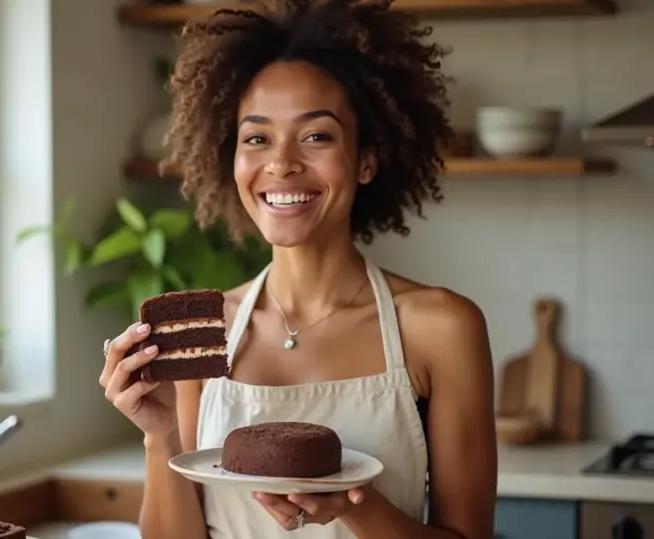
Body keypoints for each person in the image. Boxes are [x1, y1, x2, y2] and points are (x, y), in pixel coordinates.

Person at [98, 1, 497, 537]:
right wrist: (159, 434)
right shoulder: (202, 335)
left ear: (366, 159)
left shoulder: (441, 327)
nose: (281, 163)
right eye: (257, 138)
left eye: (316, 136)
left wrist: (351, 504)